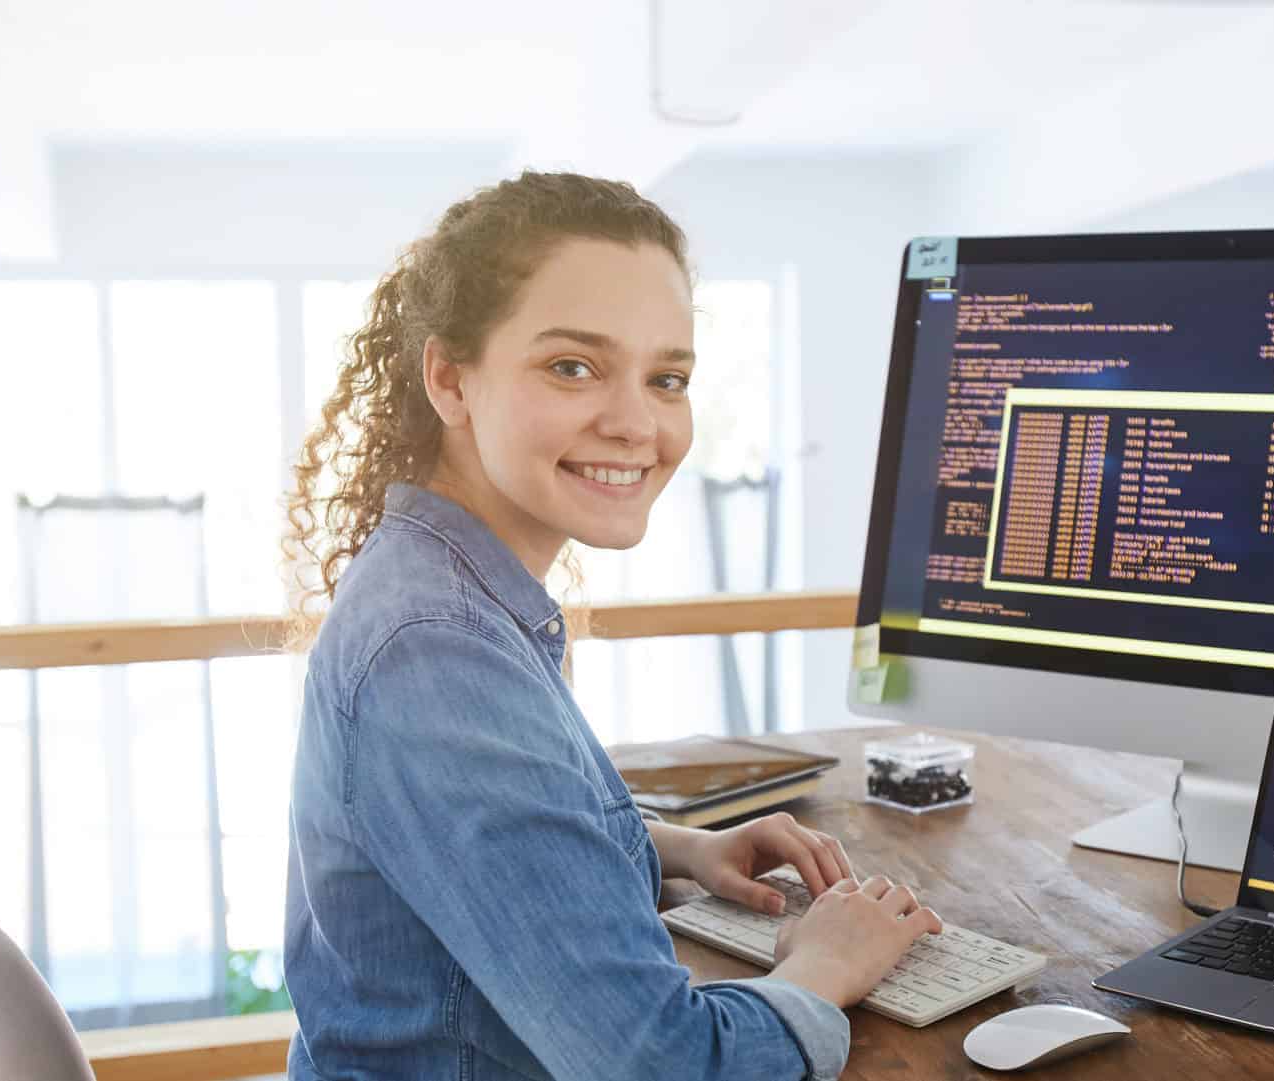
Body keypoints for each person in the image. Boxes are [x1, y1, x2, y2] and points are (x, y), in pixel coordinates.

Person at [280, 171, 942, 1081]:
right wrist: (824, 965)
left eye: (666, 378)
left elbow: (469, 845)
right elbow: (661, 1066)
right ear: (450, 378)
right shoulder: (436, 644)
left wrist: (670, 848)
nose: (637, 423)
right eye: (572, 366)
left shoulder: (441, 589)